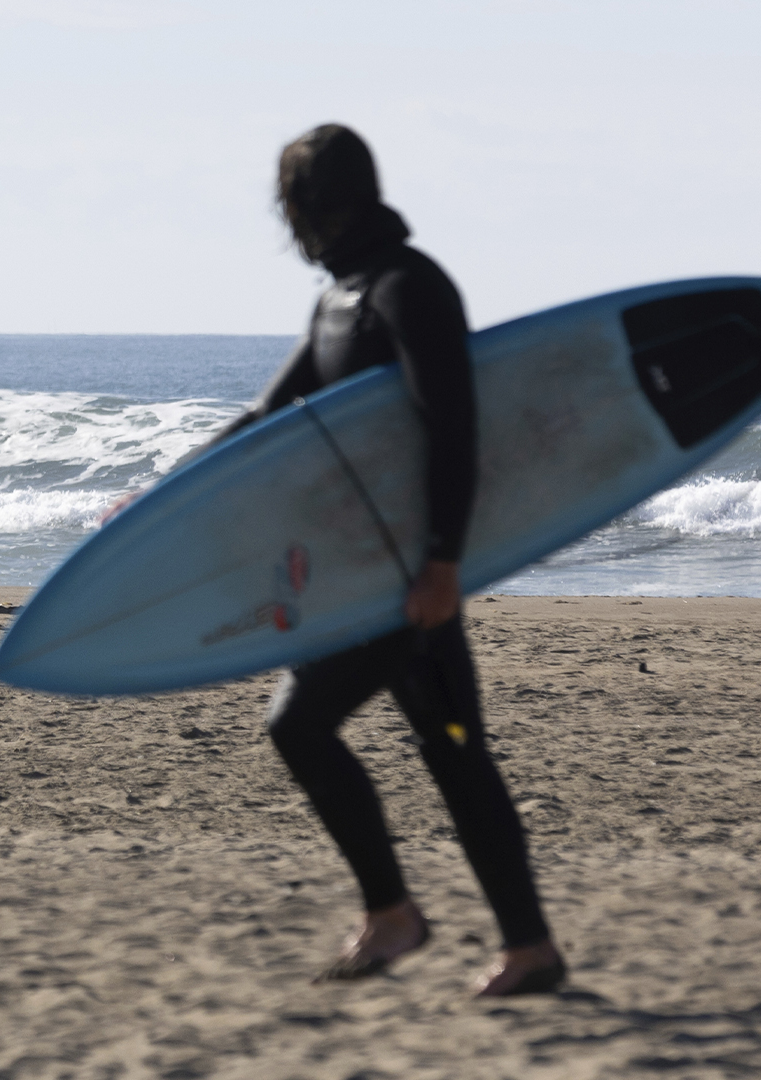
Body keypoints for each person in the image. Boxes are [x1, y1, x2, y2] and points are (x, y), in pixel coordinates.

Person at [115, 124, 565, 995]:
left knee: (303, 725)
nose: (285, 221)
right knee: (454, 751)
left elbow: (455, 425)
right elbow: (266, 421)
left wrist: (442, 564)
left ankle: (400, 916)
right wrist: (161, 500)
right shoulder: (345, 298)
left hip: (405, 581)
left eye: (288, 203)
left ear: (311, 204)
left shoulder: (408, 287)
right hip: (369, 576)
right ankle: (523, 946)